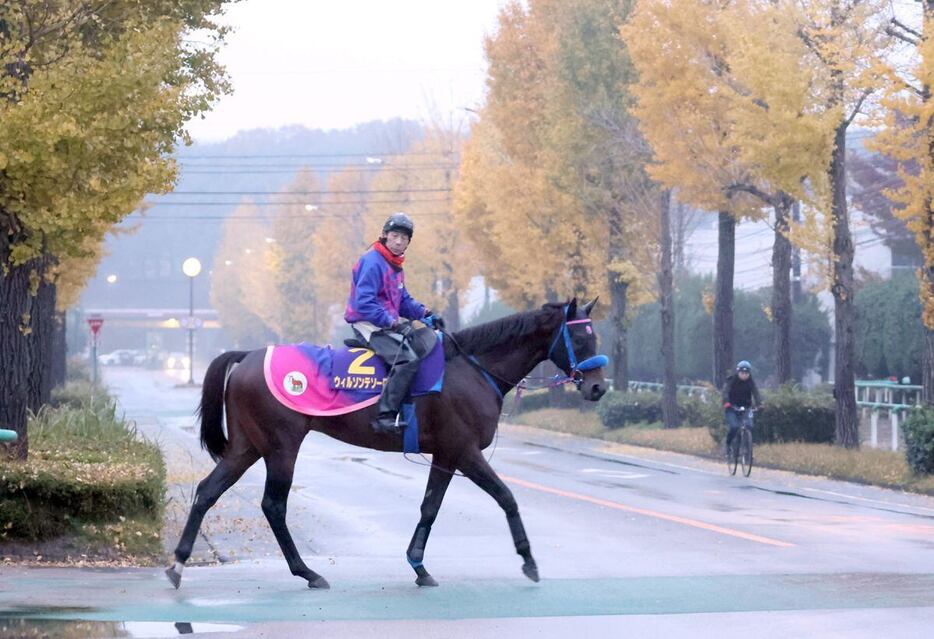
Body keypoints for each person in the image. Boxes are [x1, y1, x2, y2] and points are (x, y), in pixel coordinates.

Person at [344, 212, 444, 434]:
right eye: (395, 235)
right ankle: (385, 416)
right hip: (368, 324)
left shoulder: (394, 265)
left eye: (404, 238)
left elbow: (403, 301)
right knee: (406, 360)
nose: (399, 241)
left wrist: (426, 314)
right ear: (385, 236)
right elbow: (364, 304)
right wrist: (392, 323)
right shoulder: (372, 262)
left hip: (385, 323)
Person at [721, 360, 762, 457]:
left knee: (749, 426)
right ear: (738, 372)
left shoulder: (750, 381)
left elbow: (756, 393)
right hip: (731, 407)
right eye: (742, 373)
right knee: (734, 427)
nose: (744, 375)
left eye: (746, 373)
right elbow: (725, 392)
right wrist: (726, 402)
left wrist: (759, 403)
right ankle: (728, 445)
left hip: (746, 407)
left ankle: (747, 450)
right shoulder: (731, 380)